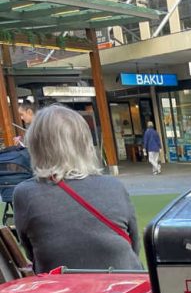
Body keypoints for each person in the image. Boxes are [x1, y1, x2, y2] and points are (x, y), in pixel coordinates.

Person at [12, 104, 141, 273]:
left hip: (62, 292)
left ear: (36, 146)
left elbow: (32, 251)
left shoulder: (25, 193)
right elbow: (134, 246)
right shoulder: (114, 186)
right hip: (123, 286)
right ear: (85, 143)